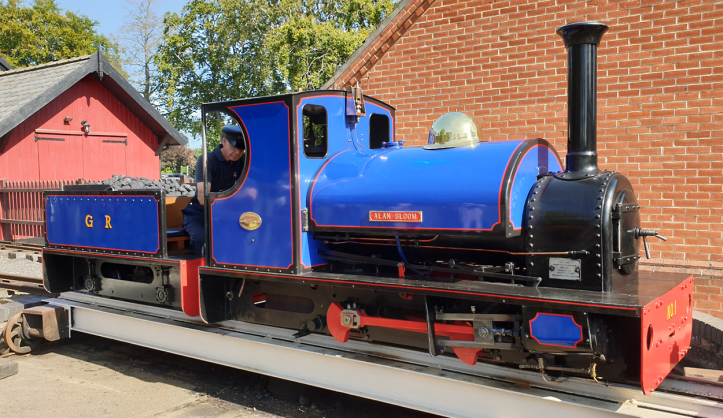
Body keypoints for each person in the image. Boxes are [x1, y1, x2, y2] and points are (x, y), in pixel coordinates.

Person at [182, 125, 246, 256]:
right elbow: (202, 197)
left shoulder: (243, 160)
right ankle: (201, 268)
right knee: (202, 239)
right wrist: (240, 195)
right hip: (200, 215)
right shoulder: (207, 160)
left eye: (241, 149)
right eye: (233, 148)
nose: (237, 153)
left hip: (227, 215)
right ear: (224, 142)